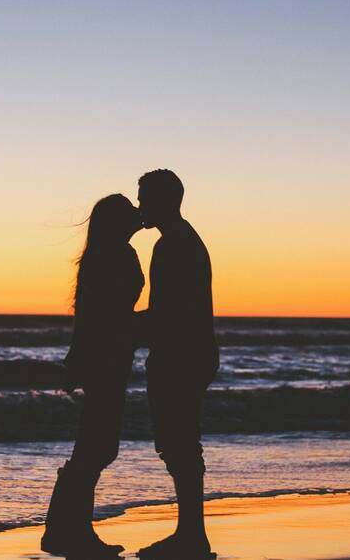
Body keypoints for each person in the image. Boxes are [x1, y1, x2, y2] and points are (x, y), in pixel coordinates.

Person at [41, 194, 144, 558]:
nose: (138, 214)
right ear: (118, 221)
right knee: (97, 446)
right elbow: (103, 316)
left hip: (107, 356)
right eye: (130, 211)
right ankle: (69, 532)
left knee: (95, 444)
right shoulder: (114, 255)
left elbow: (92, 314)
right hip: (108, 358)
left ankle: (64, 530)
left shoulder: (105, 253)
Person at [136, 169, 220, 560]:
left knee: (179, 444)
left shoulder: (173, 246)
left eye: (144, 198)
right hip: (193, 353)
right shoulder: (183, 241)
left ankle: (192, 536)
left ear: (164, 201)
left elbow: (166, 312)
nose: (140, 206)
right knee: (181, 443)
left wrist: (117, 327)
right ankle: (191, 533)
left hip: (180, 356)